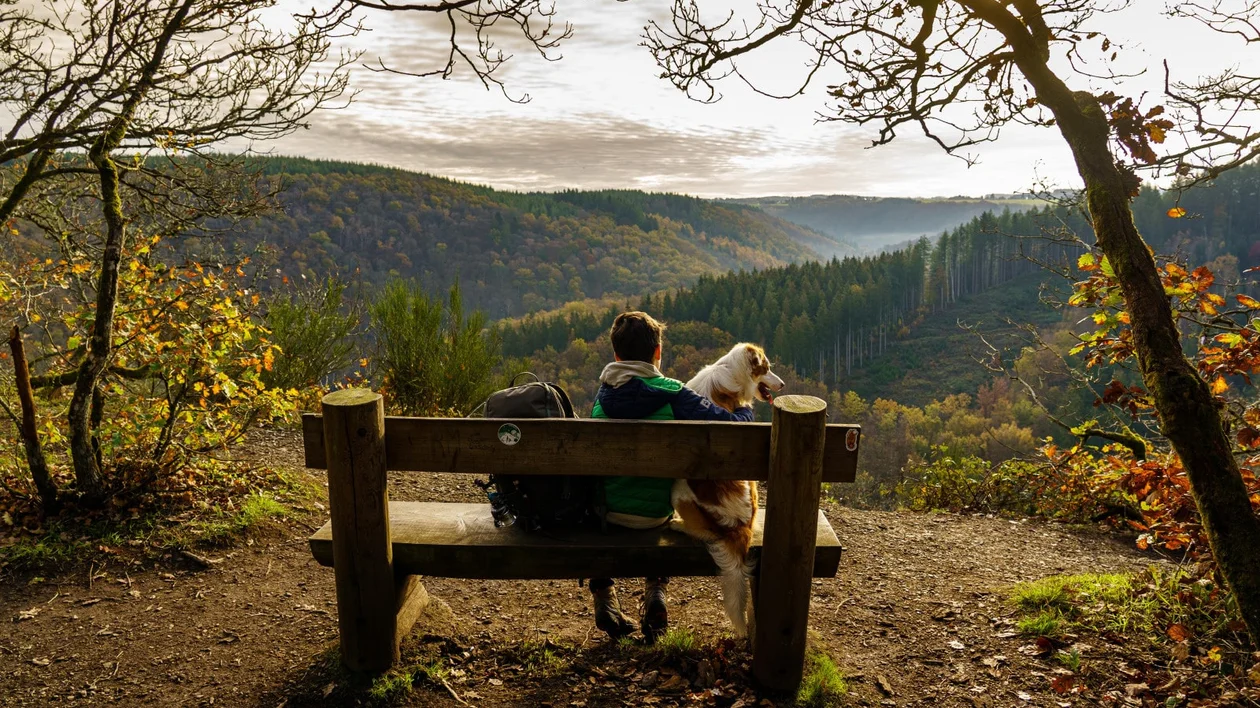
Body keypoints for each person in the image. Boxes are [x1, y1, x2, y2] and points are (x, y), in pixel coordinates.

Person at [587, 311, 754, 642]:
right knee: (667, 498)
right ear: (658, 353)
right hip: (653, 518)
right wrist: (746, 408)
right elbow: (735, 428)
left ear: (616, 355)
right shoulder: (675, 395)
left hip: (606, 517)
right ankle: (656, 591)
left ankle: (604, 593)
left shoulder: (601, 399)